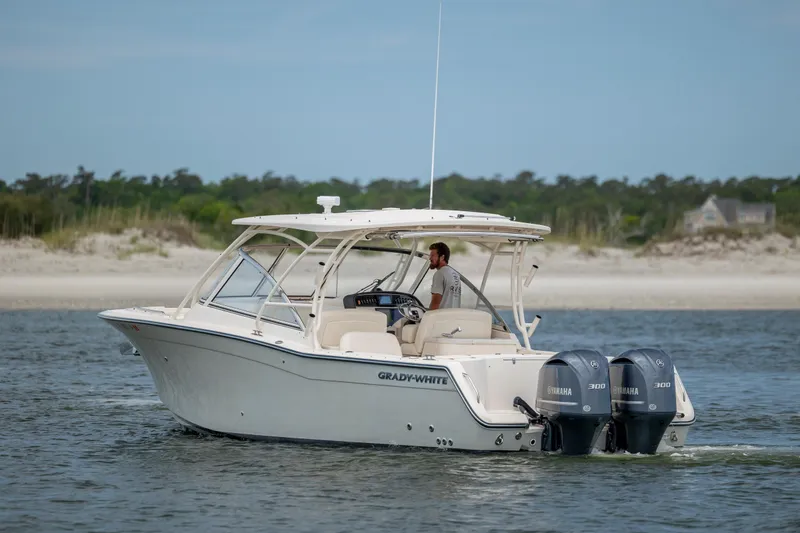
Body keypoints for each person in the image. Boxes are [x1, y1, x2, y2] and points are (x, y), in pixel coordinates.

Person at [428, 242, 461, 310]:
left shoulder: (440, 274)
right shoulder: (456, 274)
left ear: (442, 257)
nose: (430, 258)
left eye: (433, 255)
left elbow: (435, 303)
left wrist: (427, 315)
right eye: (430, 255)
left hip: (441, 316)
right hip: (453, 315)